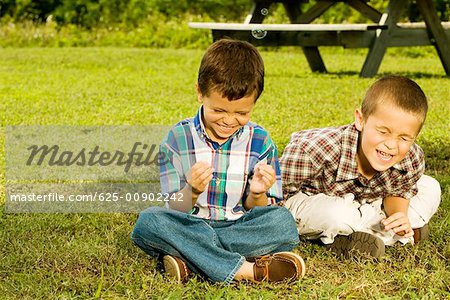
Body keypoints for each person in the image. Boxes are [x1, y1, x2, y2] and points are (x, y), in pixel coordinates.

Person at [131, 39, 305, 284]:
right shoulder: (178, 140)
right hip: (190, 223)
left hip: (238, 225)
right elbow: (175, 208)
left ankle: (192, 258)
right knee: (149, 222)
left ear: (255, 102)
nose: (229, 120)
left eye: (242, 113)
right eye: (219, 111)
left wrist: (257, 193)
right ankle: (246, 270)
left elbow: (260, 209)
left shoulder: (261, 141)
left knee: (282, 223)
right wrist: (191, 190)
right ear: (200, 92)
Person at [280, 75, 441, 258]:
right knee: (336, 214)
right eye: (383, 132)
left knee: (430, 187)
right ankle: (385, 233)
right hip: (318, 202)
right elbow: (278, 196)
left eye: (404, 138)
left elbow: (400, 191)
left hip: (369, 201)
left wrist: (398, 215)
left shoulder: (411, 157)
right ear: (360, 120)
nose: (391, 145)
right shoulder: (313, 150)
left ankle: (370, 232)